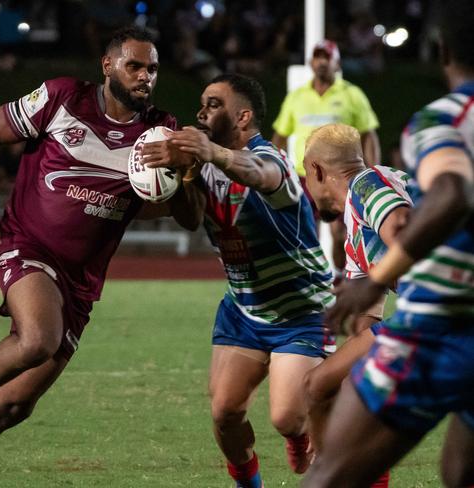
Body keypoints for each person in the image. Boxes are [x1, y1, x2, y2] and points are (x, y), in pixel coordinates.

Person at [0, 25, 199, 487]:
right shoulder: (62, 99)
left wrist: (184, 174)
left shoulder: (162, 133)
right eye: (134, 65)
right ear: (108, 66)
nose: (145, 77)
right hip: (27, 246)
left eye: (153, 68)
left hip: (80, 282)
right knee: (38, 338)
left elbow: (185, 218)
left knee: (17, 405)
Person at [303, 1, 474, 486]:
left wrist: (374, 279)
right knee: (460, 471)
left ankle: (326, 466)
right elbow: (368, 317)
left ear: (442, 50)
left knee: (326, 446)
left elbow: (427, 209)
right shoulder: (377, 190)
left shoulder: (435, 127)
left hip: (445, 326)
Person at [142, 73, 334, 488]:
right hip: (245, 309)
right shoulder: (206, 167)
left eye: (214, 104)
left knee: (285, 416)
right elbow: (191, 218)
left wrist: (210, 152)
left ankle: (299, 435)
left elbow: (257, 174)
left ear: (243, 116)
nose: (201, 112)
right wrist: (180, 175)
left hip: (301, 310)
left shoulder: (273, 159)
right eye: (202, 104)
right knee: (224, 412)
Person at [300, 123, 417, 488]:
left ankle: (329, 467)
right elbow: (367, 325)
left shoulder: (366, 185)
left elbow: (400, 226)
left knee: (316, 385)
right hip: (435, 312)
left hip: (446, 309)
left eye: (306, 175)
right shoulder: (356, 226)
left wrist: (378, 281)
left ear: (316, 170)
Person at [271, 39, 381, 276]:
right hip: (304, 177)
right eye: (317, 57)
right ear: (310, 62)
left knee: (342, 233)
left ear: (337, 62)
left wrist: (373, 170)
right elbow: (280, 135)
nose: (321, 62)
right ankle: (309, 280)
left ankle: (341, 279)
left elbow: (369, 134)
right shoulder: (297, 97)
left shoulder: (352, 94)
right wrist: (272, 165)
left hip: (341, 178)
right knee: (302, 232)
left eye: (326, 57)